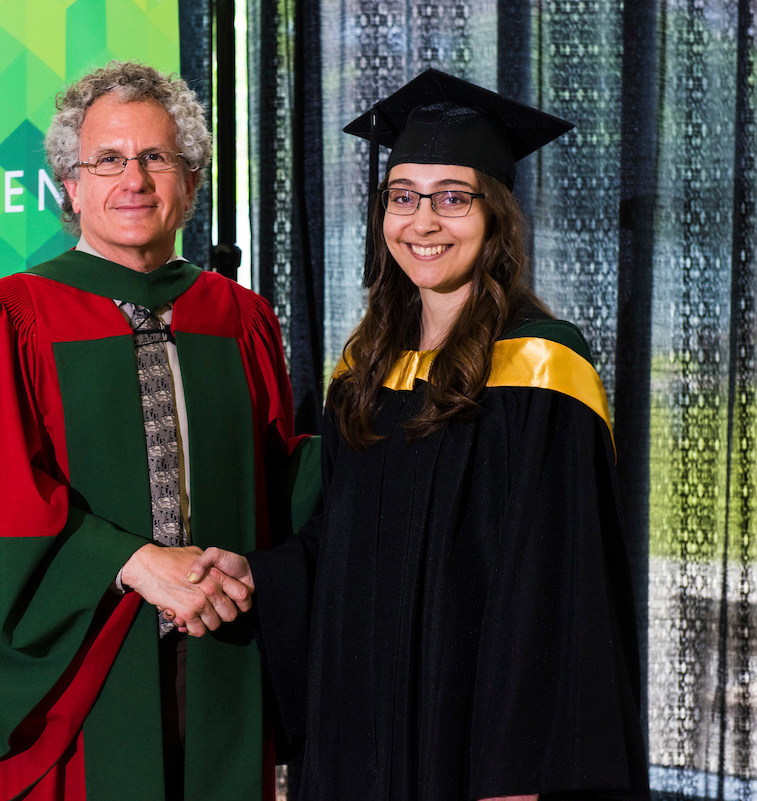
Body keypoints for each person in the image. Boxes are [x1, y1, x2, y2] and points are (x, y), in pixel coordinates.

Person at [183, 69, 651, 800]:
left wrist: (516, 773)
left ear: (495, 215)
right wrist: (259, 577)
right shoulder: (365, 371)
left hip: (476, 751)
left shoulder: (543, 371)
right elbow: (336, 547)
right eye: (403, 198)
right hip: (361, 739)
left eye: (453, 199)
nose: (423, 222)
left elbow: (557, 592)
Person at [0, 61, 318, 801]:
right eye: (108, 159)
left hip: (221, 661)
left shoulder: (240, 318)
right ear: (71, 186)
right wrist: (135, 560)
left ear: (191, 183)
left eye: (156, 157)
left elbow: (275, 485)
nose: (133, 179)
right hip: (83, 669)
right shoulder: (8, 317)